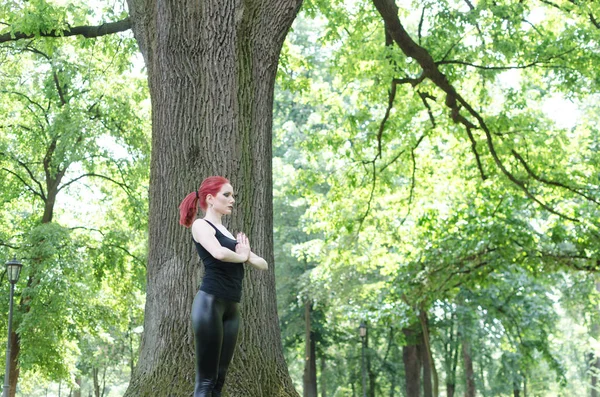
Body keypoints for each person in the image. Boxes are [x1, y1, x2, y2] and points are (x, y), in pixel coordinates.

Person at [179, 176, 268, 397]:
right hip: (210, 303)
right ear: (210, 198)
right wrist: (242, 256)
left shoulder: (228, 233)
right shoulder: (201, 225)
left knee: (218, 382)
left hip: (231, 308)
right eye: (226, 195)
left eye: (233, 196)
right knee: (206, 382)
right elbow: (218, 253)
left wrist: (245, 255)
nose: (232, 200)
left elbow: (263, 264)